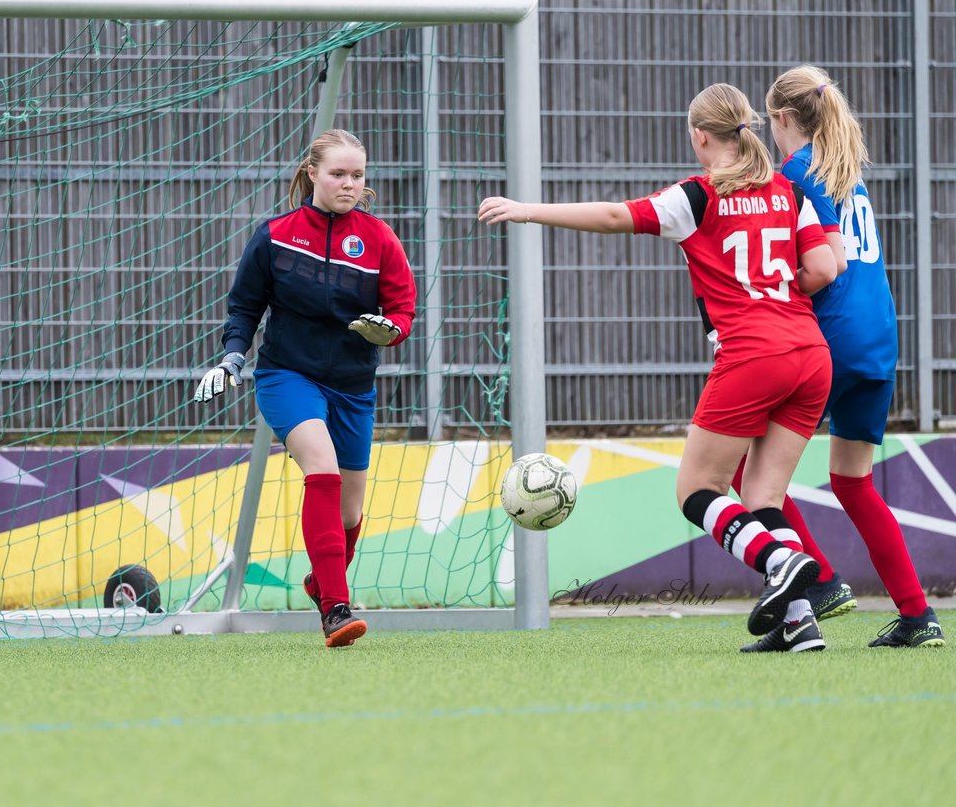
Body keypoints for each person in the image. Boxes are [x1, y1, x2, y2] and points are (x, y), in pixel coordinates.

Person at [479, 83, 839, 653]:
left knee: (698, 489)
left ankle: (781, 561)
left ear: (699, 134)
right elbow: (823, 268)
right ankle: (799, 621)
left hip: (753, 354)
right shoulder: (788, 192)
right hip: (811, 355)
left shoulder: (699, 196)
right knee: (764, 496)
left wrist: (527, 210)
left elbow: (614, 214)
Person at [193, 129, 417, 648]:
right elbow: (244, 309)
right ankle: (336, 609)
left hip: (355, 386)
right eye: (338, 173)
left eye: (358, 175)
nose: (349, 184)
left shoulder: (380, 238)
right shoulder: (274, 235)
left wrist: (391, 329)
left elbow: (403, 308)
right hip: (286, 374)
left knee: (350, 514)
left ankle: (321, 580)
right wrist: (232, 357)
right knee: (320, 464)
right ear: (311, 172)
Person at [763, 65, 944, 648]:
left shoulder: (795, 174)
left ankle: (817, 582)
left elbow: (827, 265)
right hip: (879, 339)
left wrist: (767, 288)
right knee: (853, 482)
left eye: (770, 123)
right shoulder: (846, 173)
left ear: (783, 119)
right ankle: (919, 618)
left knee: (746, 470)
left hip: (831, 336)